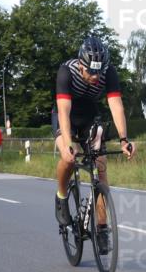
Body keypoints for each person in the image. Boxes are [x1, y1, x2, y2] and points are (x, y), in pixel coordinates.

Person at [53, 37, 135, 252]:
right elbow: (63, 110)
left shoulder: (108, 72)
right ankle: (61, 196)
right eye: (90, 72)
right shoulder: (66, 71)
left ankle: (102, 227)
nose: (95, 77)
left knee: (101, 166)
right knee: (68, 157)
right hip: (67, 115)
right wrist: (69, 142)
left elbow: (116, 105)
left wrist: (124, 139)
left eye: (99, 72)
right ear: (81, 64)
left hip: (90, 116)